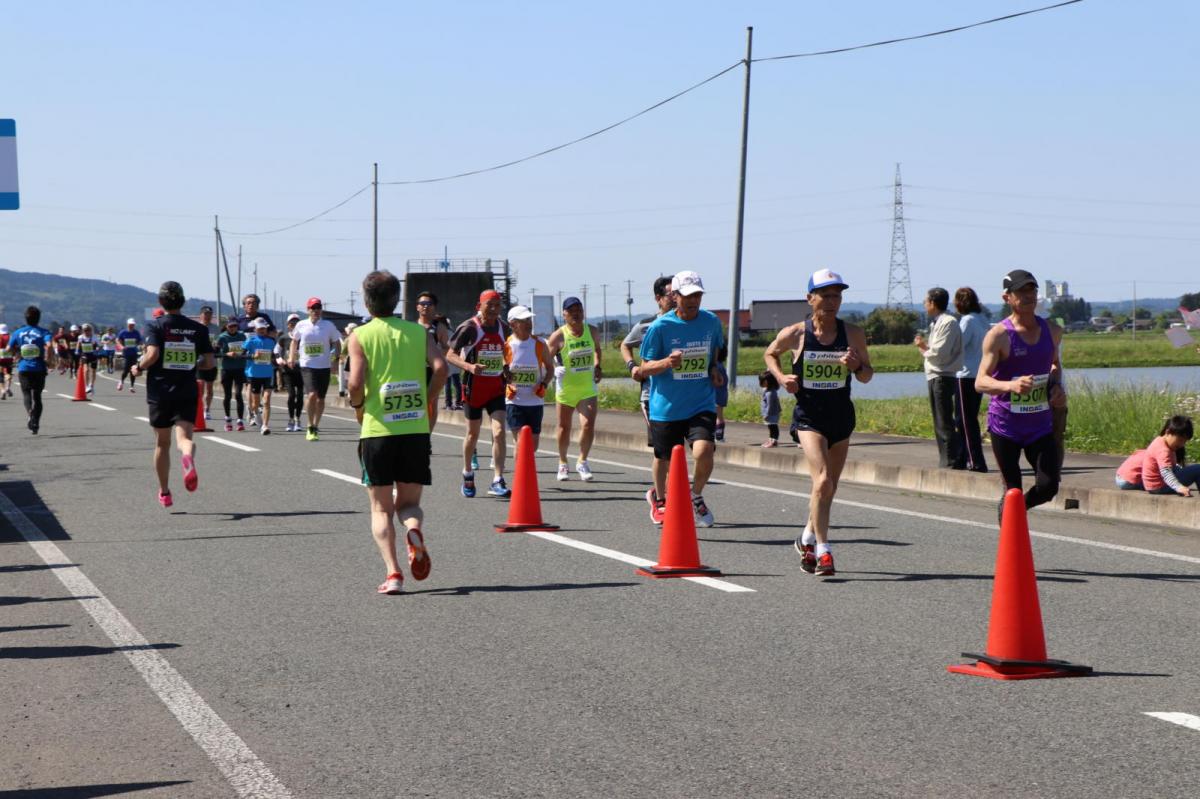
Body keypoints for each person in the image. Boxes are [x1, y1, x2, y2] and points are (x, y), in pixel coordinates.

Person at [764, 268, 873, 577]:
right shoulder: (796, 333)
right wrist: (782, 376)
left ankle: (806, 538)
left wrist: (856, 366)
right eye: (825, 295)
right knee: (822, 480)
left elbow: (867, 376)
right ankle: (824, 551)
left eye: (837, 295)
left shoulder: (853, 333)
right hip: (809, 418)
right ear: (809, 298)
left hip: (841, 417)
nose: (831, 301)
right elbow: (770, 354)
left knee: (829, 488)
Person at [346, 270, 446, 595]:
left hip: (377, 430)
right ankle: (413, 530)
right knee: (408, 505)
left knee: (380, 508)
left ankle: (393, 574)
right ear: (398, 299)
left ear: (366, 300)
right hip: (414, 429)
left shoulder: (360, 335)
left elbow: (356, 382)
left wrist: (357, 403)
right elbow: (442, 368)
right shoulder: (418, 332)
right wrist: (427, 399)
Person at [976, 269, 1067, 522]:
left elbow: (1054, 365)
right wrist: (1010, 387)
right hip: (1005, 427)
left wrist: (1055, 386)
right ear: (1007, 298)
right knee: (1013, 489)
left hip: (1040, 425)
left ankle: (1016, 510)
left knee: (1049, 487)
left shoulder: (1052, 331)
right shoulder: (999, 336)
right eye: (1022, 291)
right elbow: (980, 382)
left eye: (1033, 290)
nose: (1029, 296)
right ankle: (1010, 533)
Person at [638, 270, 725, 528]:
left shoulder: (711, 322)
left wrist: (714, 369)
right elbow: (644, 367)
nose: (693, 300)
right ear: (674, 296)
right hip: (667, 406)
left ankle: (695, 494)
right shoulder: (660, 327)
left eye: (697, 295)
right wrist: (667, 362)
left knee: (704, 450)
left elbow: (716, 351)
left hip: (701, 402)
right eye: (687, 295)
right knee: (664, 457)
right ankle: (659, 498)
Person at [129, 281, 214, 507]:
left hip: (160, 391)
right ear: (183, 301)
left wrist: (138, 366)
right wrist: (192, 361)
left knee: (162, 444)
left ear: (160, 302)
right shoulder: (199, 329)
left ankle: (165, 492)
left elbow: (153, 354)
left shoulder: (155, 325)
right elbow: (209, 363)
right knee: (184, 439)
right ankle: (187, 456)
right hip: (187, 390)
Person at [447, 290, 512, 498]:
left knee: (500, 432)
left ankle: (497, 479)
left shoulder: (504, 328)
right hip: (473, 389)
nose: (493, 309)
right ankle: (467, 473)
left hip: (495, 389)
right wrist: (469, 367)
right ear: (479, 306)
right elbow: (450, 355)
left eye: (497, 305)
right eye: (489, 305)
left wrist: (507, 369)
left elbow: (507, 353)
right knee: (472, 434)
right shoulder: (469, 328)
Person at [547, 296, 602, 481]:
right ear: (564, 314)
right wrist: (555, 369)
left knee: (588, 425)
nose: (576, 314)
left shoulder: (592, 331)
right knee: (564, 427)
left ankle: (582, 461)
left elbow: (596, 350)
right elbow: (545, 357)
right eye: (571, 311)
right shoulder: (558, 335)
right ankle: (563, 463)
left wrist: (597, 365)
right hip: (566, 388)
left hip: (587, 387)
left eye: (579, 310)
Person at [621, 276, 676, 449]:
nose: (675, 299)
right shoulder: (645, 326)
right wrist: (633, 366)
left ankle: (676, 475)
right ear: (658, 299)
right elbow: (625, 345)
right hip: (652, 394)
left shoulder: (687, 324)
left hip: (681, 393)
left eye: (678, 294)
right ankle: (670, 476)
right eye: (670, 295)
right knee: (663, 447)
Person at [915, 287, 963, 469]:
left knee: (944, 421)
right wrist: (925, 348)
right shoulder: (937, 322)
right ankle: (946, 459)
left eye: (926, 302)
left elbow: (940, 353)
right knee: (939, 420)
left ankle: (953, 459)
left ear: (933, 303)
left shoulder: (948, 322)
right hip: (935, 374)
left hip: (943, 375)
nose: (924, 305)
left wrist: (923, 347)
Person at [288, 297, 342, 441]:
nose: (316, 311)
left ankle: (316, 426)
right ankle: (309, 425)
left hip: (324, 365)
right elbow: (294, 341)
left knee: (321, 399)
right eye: (313, 308)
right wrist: (291, 357)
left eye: (318, 308)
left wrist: (336, 360)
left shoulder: (328, 325)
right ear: (308, 310)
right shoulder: (301, 325)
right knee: (312, 394)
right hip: (307, 365)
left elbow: (337, 342)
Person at [503, 305, 555, 450]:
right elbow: (501, 371)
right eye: (523, 320)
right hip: (514, 401)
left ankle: (527, 471)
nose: (528, 323)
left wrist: (544, 384)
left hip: (535, 401)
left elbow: (550, 369)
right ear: (513, 324)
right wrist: (507, 382)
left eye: (529, 319)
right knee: (520, 442)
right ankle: (520, 473)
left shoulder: (540, 344)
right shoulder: (506, 345)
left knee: (533, 445)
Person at [1115, 415, 1200, 496]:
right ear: (1167, 432)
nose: (1182, 444)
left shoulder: (1160, 441)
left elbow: (1170, 467)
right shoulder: (1163, 450)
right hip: (1158, 487)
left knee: (1183, 469)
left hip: (1153, 485)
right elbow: (1166, 473)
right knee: (1198, 469)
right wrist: (1179, 487)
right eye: (1180, 440)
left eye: (1184, 442)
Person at [954, 287, 990, 472]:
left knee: (964, 420)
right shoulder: (983, 319)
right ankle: (961, 457)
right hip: (980, 372)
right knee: (968, 417)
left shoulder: (967, 321)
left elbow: (959, 344)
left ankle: (975, 460)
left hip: (965, 373)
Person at [8, 306, 55, 433]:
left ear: (26, 318)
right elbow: (49, 345)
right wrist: (49, 359)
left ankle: (30, 413)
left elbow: (8, 348)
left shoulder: (18, 332)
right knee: (37, 396)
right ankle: (35, 423)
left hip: (24, 367)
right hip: (39, 367)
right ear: (39, 319)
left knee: (26, 394)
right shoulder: (44, 332)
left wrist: (16, 353)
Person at [416, 291, 450, 432]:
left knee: (432, 404)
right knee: (417, 404)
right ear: (417, 307)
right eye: (422, 304)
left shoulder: (439, 327)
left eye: (429, 304)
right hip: (416, 370)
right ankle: (417, 433)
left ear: (434, 307)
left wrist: (437, 357)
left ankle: (427, 436)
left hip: (433, 371)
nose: (425, 307)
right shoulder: (411, 327)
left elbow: (447, 348)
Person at [243, 317, 276, 434]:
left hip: (268, 373)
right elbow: (242, 356)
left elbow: (274, 356)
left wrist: (278, 362)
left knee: (266, 401)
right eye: (260, 329)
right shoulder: (250, 341)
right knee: (255, 403)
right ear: (255, 329)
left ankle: (265, 426)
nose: (262, 330)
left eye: (264, 328)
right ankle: (255, 412)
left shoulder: (271, 341)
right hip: (254, 374)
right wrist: (252, 356)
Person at [215, 316, 247, 431]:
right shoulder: (222, 337)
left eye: (235, 326)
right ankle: (228, 419)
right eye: (230, 326)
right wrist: (226, 354)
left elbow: (246, 350)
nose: (233, 328)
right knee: (227, 395)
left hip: (239, 368)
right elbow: (216, 354)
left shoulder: (242, 336)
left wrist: (243, 353)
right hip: (227, 369)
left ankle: (240, 420)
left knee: (238, 394)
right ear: (226, 326)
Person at [275, 313, 304, 432]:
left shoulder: (305, 336)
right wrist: (279, 359)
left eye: (297, 322)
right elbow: (276, 350)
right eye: (292, 323)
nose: (294, 325)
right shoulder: (284, 337)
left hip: (303, 370)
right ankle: (291, 419)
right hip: (288, 370)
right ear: (288, 325)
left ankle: (298, 419)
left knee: (301, 395)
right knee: (292, 395)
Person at [196, 305, 219, 419]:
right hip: (199, 362)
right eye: (205, 314)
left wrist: (217, 347)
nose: (208, 316)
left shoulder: (215, 329)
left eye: (210, 314)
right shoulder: (196, 327)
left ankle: (207, 409)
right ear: (201, 315)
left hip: (212, 362)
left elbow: (219, 343)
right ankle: (198, 409)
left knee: (209, 388)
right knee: (200, 387)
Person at [116, 318, 143, 392]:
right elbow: (118, 340)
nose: (132, 326)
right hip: (126, 353)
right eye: (130, 324)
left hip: (134, 353)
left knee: (133, 369)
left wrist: (140, 345)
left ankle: (132, 386)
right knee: (126, 369)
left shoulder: (136, 332)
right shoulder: (123, 332)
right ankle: (121, 381)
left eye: (133, 325)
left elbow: (140, 340)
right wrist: (121, 346)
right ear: (127, 324)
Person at [75, 323, 99, 394]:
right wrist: (77, 350)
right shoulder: (80, 337)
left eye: (88, 330)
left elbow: (98, 345)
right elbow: (78, 344)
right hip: (84, 354)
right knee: (86, 370)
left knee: (93, 371)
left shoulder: (94, 337)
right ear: (83, 331)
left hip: (93, 355)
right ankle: (87, 386)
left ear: (91, 330)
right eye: (85, 330)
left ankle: (92, 385)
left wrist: (97, 349)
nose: (87, 332)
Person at [759, 370, 781, 448]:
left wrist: (766, 414)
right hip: (772, 413)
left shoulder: (770, 393)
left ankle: (773, 441)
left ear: (768, 381)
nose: (761, 383)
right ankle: (771, 440)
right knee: (771, 427)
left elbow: (770, 405)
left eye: (762, 381)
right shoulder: (769, 391)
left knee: (773, 428)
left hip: (771, 414)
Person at [713, 346, 729, 442]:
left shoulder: (716, 366)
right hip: (722, 393)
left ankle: (719, 436)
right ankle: (719, 436)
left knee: (717, 417)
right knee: (719, 416)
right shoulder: (721, 365)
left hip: (716, 394)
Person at [0, 324, 13, 399]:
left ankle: (2, 390)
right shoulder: (10, 337)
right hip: (9, 357)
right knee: (8, 373)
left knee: (1, 374)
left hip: (0, 357)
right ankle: (8, 387)